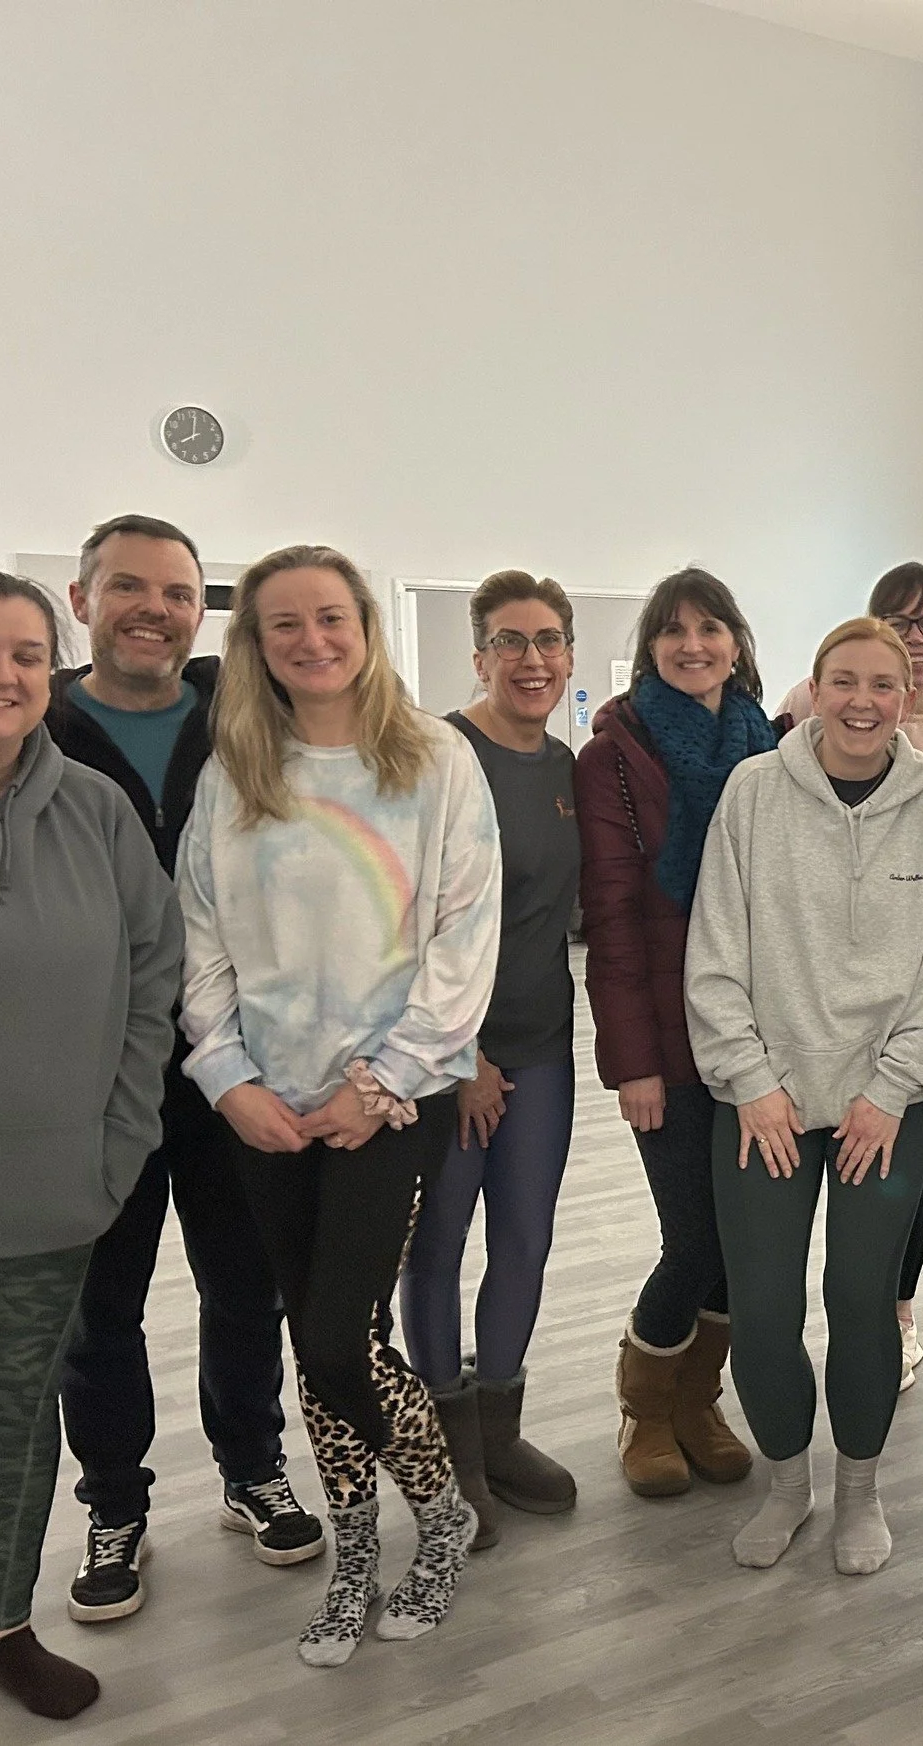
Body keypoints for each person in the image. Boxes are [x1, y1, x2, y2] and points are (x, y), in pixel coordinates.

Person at [177, 544, 500, 1667]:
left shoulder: (437, 764)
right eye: (283, 625)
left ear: (366, 626)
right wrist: (229, 1082)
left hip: (386, 1105)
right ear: (254, 645)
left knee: (331, 1332)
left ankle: (443, 1521)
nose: (311, 640)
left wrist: (381, 1082)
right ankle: (359, 1548)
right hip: (269, 1109)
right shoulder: (235, 773)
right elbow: (201, 946)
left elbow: (464, 944)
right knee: (329, 1346)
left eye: (330, 618)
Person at [46, 516, 320, 1628]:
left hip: (234, 1064)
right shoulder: (38, 727)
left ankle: (252, 1469)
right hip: (87, 1074)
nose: (152, 608)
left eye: (174, 591)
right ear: (81, 600)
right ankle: (114, 1504)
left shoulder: (241, 720)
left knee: (243, 1286)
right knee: (98, 1309)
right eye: (127, 588)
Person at [687, 618, 923, 1575]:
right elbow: (715, 955)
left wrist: (892, 1091)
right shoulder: (754, 794)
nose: (862, 701)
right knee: (763, 1306)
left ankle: (859, 1484)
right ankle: (787, 1483)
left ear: (909, 695)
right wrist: (753, 1083)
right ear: (813, 689)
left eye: (883, 685)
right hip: (762, 1097)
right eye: (843, 681)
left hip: (886, 1104)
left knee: (861, 1297)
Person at [0, 571, 181, 1720]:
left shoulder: (97, 812)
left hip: (49, 1195)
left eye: (21, 654)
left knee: (12, 1417)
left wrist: (122, 1136)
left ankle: (4, 1626)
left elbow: (156, 978)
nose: (0, 674)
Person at [578, 568, 775, 1497]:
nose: (692, 644)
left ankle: (700, 1402)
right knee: (692, 1235)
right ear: (650, 644)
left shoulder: (769, 747)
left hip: (762, 1042)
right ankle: (646, 1407)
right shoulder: (617, 753)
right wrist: (634, 1065)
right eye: (673, 630)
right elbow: (614, 921)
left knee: (744, 1239)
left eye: (710, 627)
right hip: (670, 1040)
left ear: (737, 641)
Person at [400, 571, 582, 1547]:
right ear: (478, 655)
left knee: (524, 1240)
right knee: (436, 1248)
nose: (532, 659)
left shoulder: (565, 766)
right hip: (442, 1057)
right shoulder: (434, 756)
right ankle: (445, 1453)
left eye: (548, 640)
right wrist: (458, 1052)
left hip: (544, 1043)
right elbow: (406, 916)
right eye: (510, 641)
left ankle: (499, 1428)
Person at [780, 561, 923, 1390]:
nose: (918, 634)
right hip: (810, 994)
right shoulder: (800, 710)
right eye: (901, 619)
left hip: (922, 987)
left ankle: (897, 1311)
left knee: (906, 1164)